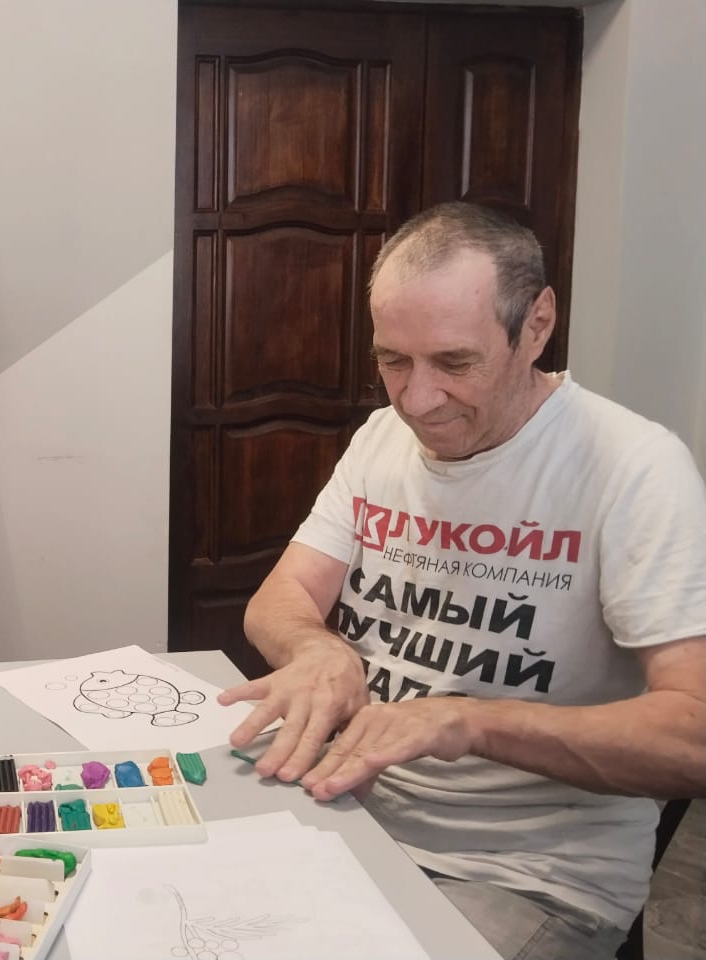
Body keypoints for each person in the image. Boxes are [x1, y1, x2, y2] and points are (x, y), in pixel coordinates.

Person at [218, 201, 706, 960]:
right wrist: (316, 651)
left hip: (523, 874)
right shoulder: (380, 438)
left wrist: (468, 722)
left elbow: (692, 737)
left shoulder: (635, 469)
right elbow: (281, 600)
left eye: (454, 363)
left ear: (537, 325)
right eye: (392, 361)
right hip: (346, 814)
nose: (415, 400)